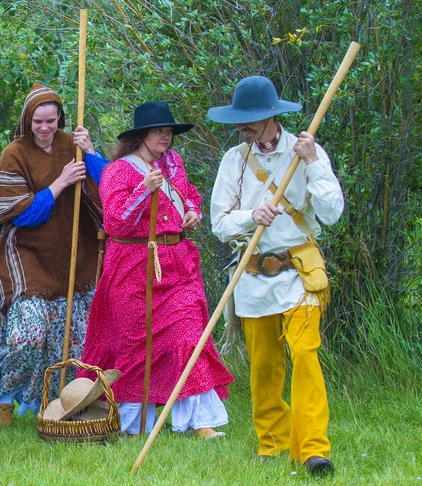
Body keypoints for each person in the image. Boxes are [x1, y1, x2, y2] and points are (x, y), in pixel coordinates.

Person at [208, 76, 344, 475]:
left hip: (300, 271)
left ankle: (313, 449)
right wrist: (252, 216)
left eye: (248, 120)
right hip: (252, 273)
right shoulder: (234, 159)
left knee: (304, 355)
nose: (241, 127)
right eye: (239, 120)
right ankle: (272, 444)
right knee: (265, 365)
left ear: (272, 116)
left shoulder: (306, 150)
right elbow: (219, 223)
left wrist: (314, 162)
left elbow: (332, 213)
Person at [77, 101, 234, 437]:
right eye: (159, 131)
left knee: (189, 336)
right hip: (133, 266)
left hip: (177, 263)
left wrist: (193, 212)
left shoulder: (174, 164)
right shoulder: (119, 170)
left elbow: (189, 195)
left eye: (169, 131)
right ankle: (134, 423)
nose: (166, 136)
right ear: (142, 136)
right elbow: (115, 220)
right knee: (136, 347)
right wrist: (143, 190)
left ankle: (200, 422)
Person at [0, 84, 106, 425]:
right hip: (27, 260)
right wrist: (59, 183)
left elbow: (107, 190)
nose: (45, 128)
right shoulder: (15, 153)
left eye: (51, 121)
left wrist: (90, 153)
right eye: (38, 122)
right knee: (27, 337)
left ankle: (54, 404)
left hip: (73, 258)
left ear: (60, 118)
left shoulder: (72, 146)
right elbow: (23, 215)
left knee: (71, 345)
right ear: (28, 121)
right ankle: (3, 398)